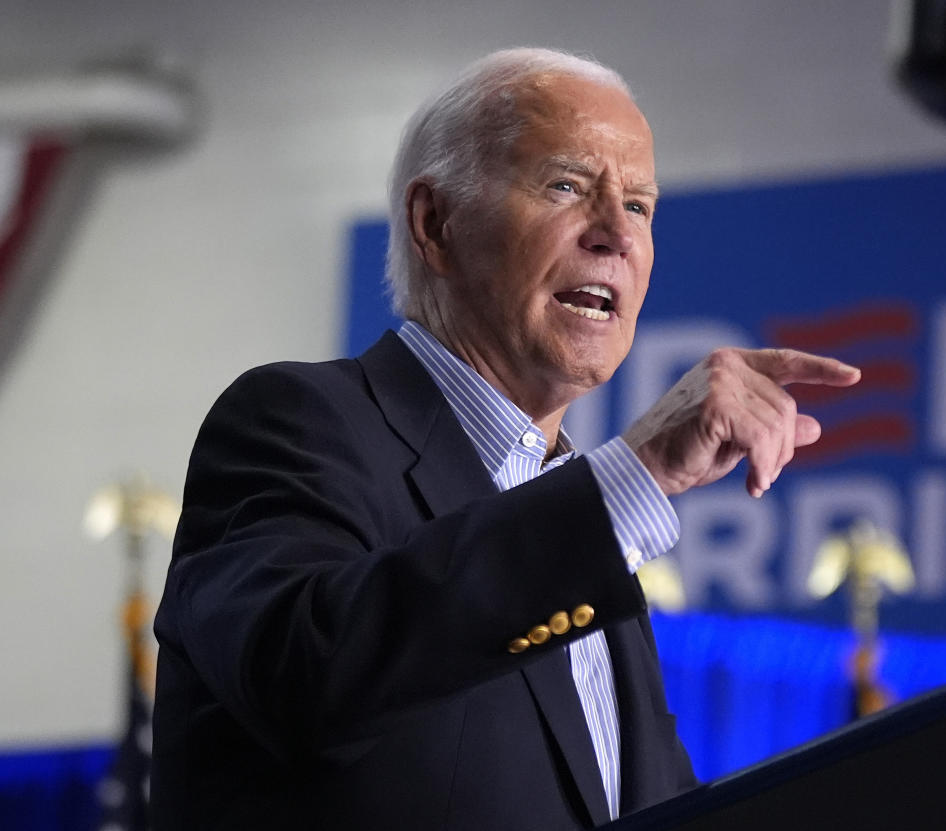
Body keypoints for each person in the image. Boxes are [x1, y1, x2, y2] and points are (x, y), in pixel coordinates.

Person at [150, 47, 860, 831]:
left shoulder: (582, 537)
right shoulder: (296, 422)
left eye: (640, 206)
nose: (615, 235)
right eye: (566, 186)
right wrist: (638, 471)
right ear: (435, 224)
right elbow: (306, 676)